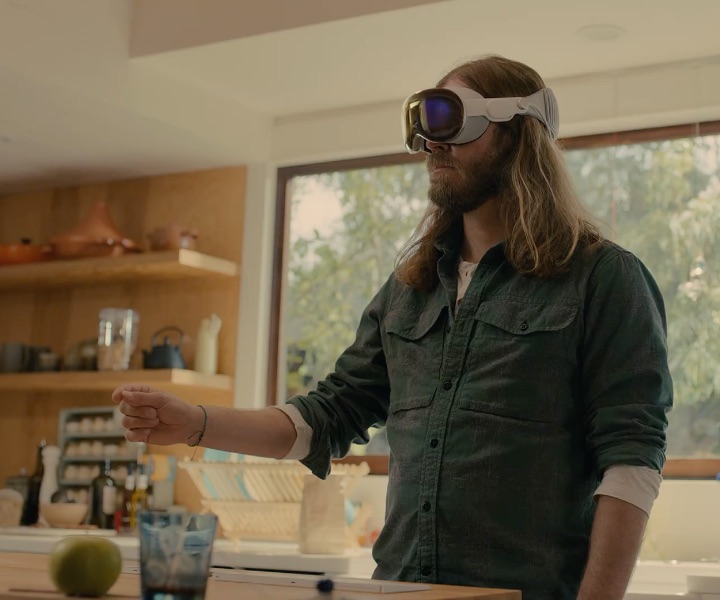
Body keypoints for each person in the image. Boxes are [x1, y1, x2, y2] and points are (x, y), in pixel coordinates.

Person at [114, 54, 673, 600]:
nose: (433, 143)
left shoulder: (604, 278)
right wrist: (194, 423)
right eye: (425, 127)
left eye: (453, 121)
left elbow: (631, 461)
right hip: (401, 588)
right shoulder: (409, 290)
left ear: (516, 133)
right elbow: (326, 417)